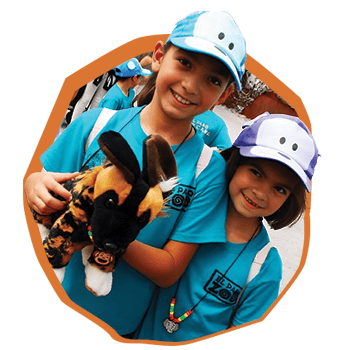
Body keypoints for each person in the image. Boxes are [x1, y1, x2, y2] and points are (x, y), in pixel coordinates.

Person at [24, 11, 247, 338]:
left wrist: (112, 232)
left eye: (213, 79)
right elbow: (40, 191)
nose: (191, 85)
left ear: (224, 95)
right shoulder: (97, 125)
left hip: (118, 327)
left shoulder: (208, 171)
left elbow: (170, 269)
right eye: (184, 62)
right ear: (159, 56)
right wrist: (32, 185)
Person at [135, 112, 321, 342]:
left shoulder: (264, 266)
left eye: (280, 189)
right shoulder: (187, 211)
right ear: (235, 161)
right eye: (256, 172)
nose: (261, 193)